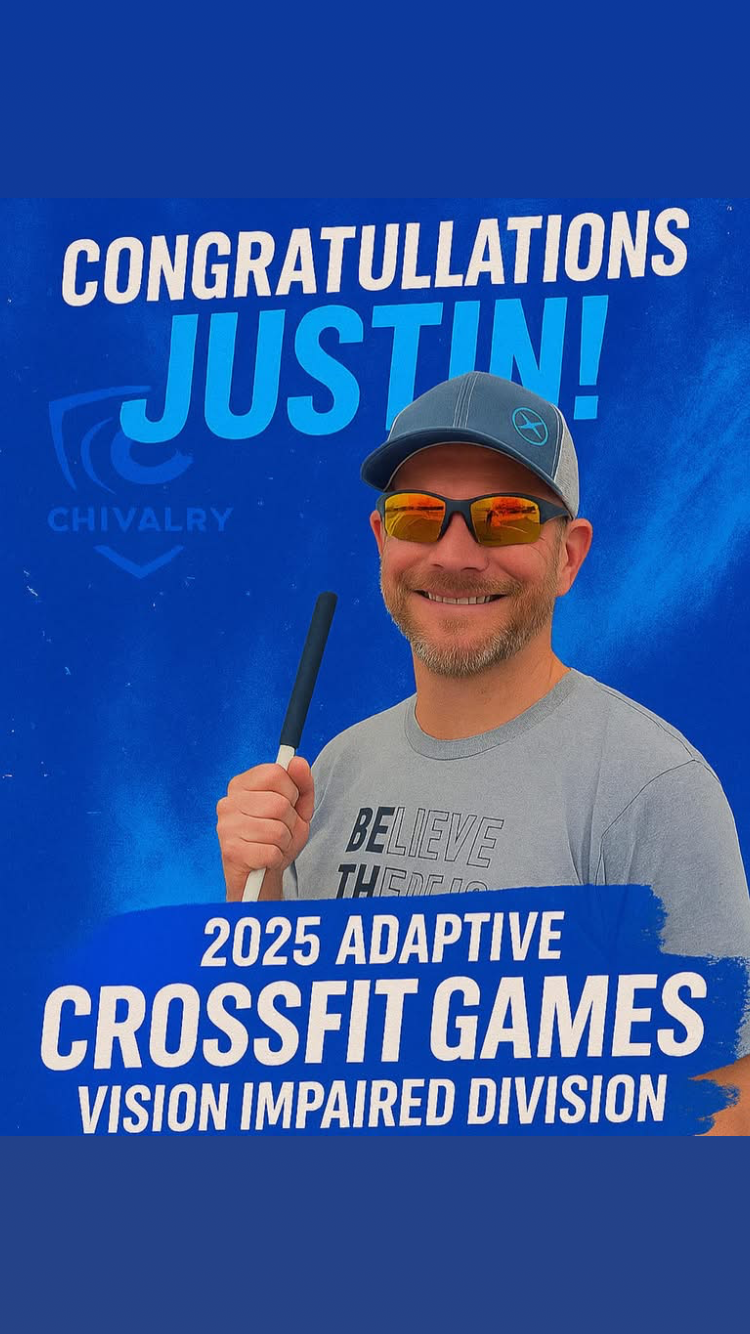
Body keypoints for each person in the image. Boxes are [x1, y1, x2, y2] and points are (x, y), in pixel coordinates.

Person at [216, 371, 750, 1133]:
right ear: (383, 540)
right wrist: (255, 886)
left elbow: (728, 1101)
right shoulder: (336, 766)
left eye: (504, 518)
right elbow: (289, 1035)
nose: (456, 554)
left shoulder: (650, 785)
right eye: (418, 515)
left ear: (568, 555)